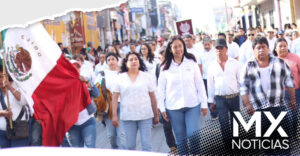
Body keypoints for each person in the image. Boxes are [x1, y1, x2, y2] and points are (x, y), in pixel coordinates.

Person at [240, 37, 295, 155]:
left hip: (279, 108)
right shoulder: (248, 66)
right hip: (260, 111)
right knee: (267, 146)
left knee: (283, 144)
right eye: (258, 48)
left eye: (263, 47)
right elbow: (244, 88)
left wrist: (293, 100)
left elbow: (289, 82)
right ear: (253, 50)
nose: (261, 50)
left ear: (268, 49)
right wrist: (248, 105)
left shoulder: (279, 63)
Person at [157, 36, 208, 155]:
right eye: (175, 47)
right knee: (181, 139)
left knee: (194, 135)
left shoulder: (191, 62)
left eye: (180, 46)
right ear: (170, 49)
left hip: (192, 105)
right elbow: (160, 90)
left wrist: (204, 103)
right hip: (173, 107)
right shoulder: (165, 67)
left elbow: (199, 84)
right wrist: (162, 108)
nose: (178, 49)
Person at [112, 52, 159, 151]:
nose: (134, 61)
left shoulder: (147, 76)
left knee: (147, 145)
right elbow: (115, 97)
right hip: (128, 116)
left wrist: (156, 114)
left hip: (145, 115)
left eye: (136, 59)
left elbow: (153, 96)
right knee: (130, 146)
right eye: (131, 59)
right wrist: (114, 115)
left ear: (139, 61)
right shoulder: (120, 77)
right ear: (126, 63)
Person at [207, 39, 241, 153]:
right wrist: (211, 101)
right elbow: (210, 84)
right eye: (217, 48)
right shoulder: (211, 66)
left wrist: (244, 95)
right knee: (223, 123)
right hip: (220, 99)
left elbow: (240, 80)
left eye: (221, 48)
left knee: (236, 122)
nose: (219, 50)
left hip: (234, 97)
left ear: (226, 49)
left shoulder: (235, 63)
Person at [61, 60, 99, 148]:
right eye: (72, 66)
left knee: (90, 148)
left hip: (88, 120)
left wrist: (87, 82)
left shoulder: (85, 79)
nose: (75, 69)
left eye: (78, 66)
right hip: (72, 124)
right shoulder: (63, 84)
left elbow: (97, 94)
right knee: (77, 150)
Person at [95, 52, 125, 149]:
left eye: (113, 59)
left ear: (117, 60)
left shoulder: (123, 73)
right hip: (109, 106)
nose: (111, 61)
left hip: (123, 104)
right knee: (111, 135)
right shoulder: (102, 74)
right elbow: (96, 87)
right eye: (109, 60)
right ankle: (114, 150)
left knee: (122, 134)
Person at [273, 38, 300, 139]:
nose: (283, 48)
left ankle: (293, 134)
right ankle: (287, 138)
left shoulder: (295, 58)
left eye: (285, 45)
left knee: (294, 115)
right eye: (280, 46)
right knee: (287, 116)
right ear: (275, 49)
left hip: (295, 92)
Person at [0, 67, 30, 148]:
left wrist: (9, 87)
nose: (0, 80)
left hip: (19, 131)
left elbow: (23, 101)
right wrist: (3, 113)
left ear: (7, 75)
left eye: (2, 76)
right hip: (2, 133)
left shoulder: (17, 85)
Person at [198, 36, 218, 120]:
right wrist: (200, 78)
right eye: (205, 45)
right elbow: (200, 66)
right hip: (205, 78)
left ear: (211, 43)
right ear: (202, 44)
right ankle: (213, 113)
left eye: (208, 44)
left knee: (217, 94)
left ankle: (220, 109)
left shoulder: (216, 51)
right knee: (209, 95)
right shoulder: (200, 53)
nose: (206, 46)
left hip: (216, 76)